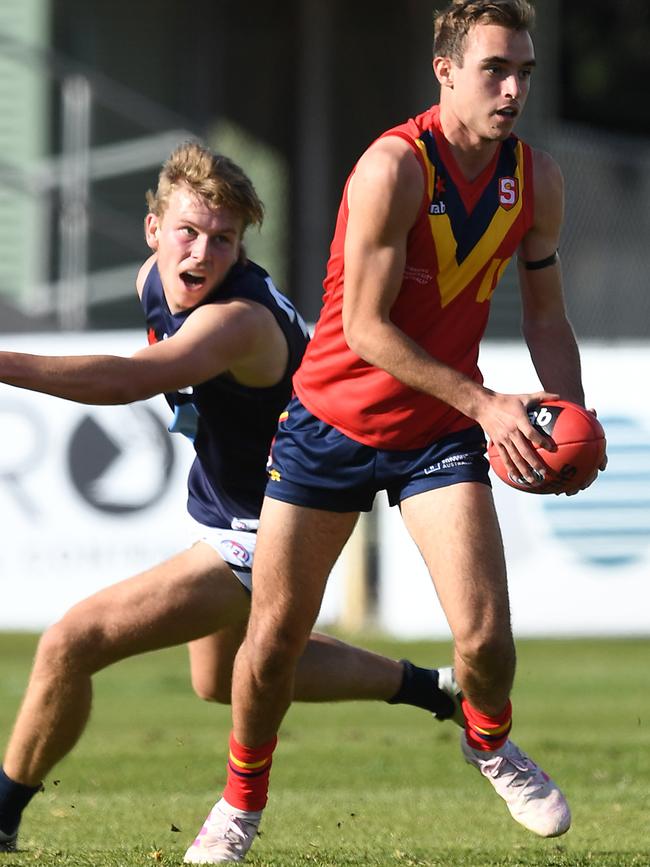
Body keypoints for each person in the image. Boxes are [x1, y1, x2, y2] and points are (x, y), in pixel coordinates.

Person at [186, 1, 609, 862]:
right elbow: (369, 329)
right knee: (271, 641)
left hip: (437, 431)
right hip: (331, 422)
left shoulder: (537, 179)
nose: (514, 87)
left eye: (525, 71)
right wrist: (488, 402)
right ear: (445, 71)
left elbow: (546, 316)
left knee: (486, 637)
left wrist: (573, 416)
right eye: (496, 68)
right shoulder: (392, 168)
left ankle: (487, 739)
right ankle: (238, 802)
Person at [0, 142, 464, 854]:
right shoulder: (155, 279)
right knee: (221, 677)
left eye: (223, 240)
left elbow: (132, 380)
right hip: (228, 508)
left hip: (277, 520)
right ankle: (434, 689)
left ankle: (2, 814)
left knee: (71, 641)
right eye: (188, 232)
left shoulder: (237, 319)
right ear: (154, 230)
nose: (203, 252)